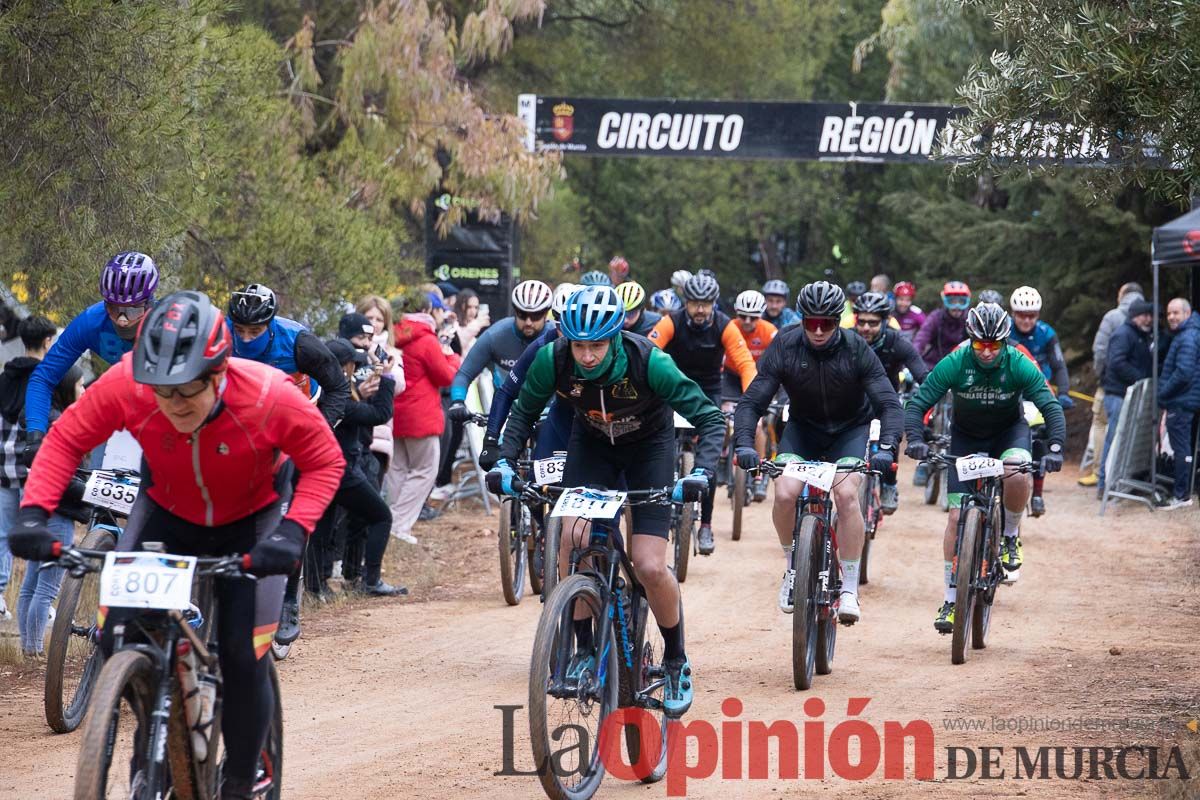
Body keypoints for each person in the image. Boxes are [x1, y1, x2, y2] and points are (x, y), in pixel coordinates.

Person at [8, 291, 344, 800]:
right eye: (162, 390)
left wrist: (293, 532)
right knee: (118, 633)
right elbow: (64, 441)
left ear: (219, 372)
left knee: (240, 652)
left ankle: (242, 775)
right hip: (167, 511)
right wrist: (34, 513)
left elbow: (325, 461)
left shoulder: (269, 394)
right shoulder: (128, 384)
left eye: (188, 388)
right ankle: (152, 749)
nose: (174, 403)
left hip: (252, 521)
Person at [487, 285, 723, 717]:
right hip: (592, 445)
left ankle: (675, 659)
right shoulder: (553, 358)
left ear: (616, 336)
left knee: (649, 564)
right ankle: (582, 647)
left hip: (648, 447)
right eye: (580, 345)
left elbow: (709, 417)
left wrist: (702, 472)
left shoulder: (650, 361)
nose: (588, 356)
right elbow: (522, 412)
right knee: (572, 540)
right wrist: (504, 461)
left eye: (597, 345)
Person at [733, 281, 902, 624]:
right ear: (802, 320)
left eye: (827, 323)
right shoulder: (786, 344)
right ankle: (792, 567)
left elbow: (888, 404)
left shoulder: (856, 348)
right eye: (812, 323)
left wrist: (886, 448)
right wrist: (744, 444)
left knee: (846, 495)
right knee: (784, 493)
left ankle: (850, 587)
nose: (819, 330)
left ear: (839, 321)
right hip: (804, 430)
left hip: (850, 431)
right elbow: (753, 401)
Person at [902, 303, 1066, 633]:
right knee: (953, 516)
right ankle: (951, 598)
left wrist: (1056, 447)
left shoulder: (1018, 361)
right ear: (971, 340)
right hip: (965, 437)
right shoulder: (957, 361)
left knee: (1018, 471)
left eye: (995, 345)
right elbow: (920, 402)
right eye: (981, 345)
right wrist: (916, 438)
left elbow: (1049, 405)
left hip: (1008, 431)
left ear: (1005, 342)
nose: (988, 352)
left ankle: (1009, 536)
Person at [649, 272, 757, 555]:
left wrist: (751, 398)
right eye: (694, 303)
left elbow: (745, 363)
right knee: (656, 444)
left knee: (705, 460)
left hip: (709, 390)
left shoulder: (725, 326)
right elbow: (647, 350)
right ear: (685, 302)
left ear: (713, 304)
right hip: (673, 385)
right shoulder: (670, 322)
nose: (699, 309)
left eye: (705, 304)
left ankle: (706, 524)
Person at [22, 252, 158, 465]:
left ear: (149, 303)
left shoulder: (166, 324)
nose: (122, 320)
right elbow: (44, 377)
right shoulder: (91, 322)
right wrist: (35, 434)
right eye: (114, 308)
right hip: (123, 405)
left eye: (132, 311)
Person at [307, 339, 404, 595]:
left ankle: (316, 588)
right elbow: (379, 415)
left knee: (322, 529)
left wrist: (361, 391)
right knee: (381, 516)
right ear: (344, 367)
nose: (355, 368)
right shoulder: (341, 400)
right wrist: (387, 378)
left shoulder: (322, 394)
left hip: (322, 469)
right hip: (343, 472)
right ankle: (370, 581)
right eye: (353, 364)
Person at [0, 315, 74, 626]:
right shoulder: (46, 380)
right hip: (33, 472)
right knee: (35, 535)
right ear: (46, 342)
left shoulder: (5, 376)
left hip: (3, 469)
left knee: (3, 536)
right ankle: (36, 609)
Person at [16, 363, 85, 656]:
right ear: (67, 389)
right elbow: (62, 474)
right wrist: (88, 491)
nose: (84, 390)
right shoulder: (61, 425)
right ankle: (36, 651)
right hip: (60, 513)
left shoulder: (40, 422)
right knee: (47, 588)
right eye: (81, 385)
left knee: (31, 584)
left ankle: (28, 648)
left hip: (40, 508)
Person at [388, 291, 462, 545]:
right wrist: (452, 356)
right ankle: (398, 524)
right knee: (424, 471)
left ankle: (392, 523)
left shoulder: (394, 332)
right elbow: (445, 376)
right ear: (429, 311)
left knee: (398, 469)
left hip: (395, 411)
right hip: (421, 414)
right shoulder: (425, 338)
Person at [477, 283, 578, 469]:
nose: (568, 336)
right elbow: (507, 391)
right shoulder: (542, 347)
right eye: (560, 325)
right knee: (537, 487)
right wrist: (491, 441)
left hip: (592, 426)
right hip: (553, 418)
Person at [226, 283, 349, 428]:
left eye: (254, 331)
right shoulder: (221, 333)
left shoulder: (299, 342)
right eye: (239, 330)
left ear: (269, 324)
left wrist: (321, 428)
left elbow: (338, 387)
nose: (245, 338)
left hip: (300, 410)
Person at [852, 292, 929, 513]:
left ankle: (889, 484)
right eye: (862, 321)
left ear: (885, 322)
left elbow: (921, 373)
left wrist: (925, 389)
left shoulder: (897, 341)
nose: (866, 328)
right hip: (854, 403)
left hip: (887, 403)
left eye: (873, 323)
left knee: (891, 432)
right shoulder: (847, 338)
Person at [1007, 286, 1072, 517]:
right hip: (1011, 392)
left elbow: (1059, 366)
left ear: (1038, 314)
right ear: (1013, 313)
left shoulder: (1047, 333)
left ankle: (1037, 494)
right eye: (1022, 315)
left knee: (1038, 438)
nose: (1026, 320)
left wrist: (1064, 393)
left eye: (1032, 315)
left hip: (1037, 393)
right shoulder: (1004, 330)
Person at [1080, 282, 1144, 487]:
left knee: (1101, 424)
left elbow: (1099, 350)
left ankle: (1100, 472)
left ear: (1122, 295)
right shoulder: (1148, 317)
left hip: (1110, 386)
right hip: (1140, 386)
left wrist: (1102, 375)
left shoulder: (1112, 316)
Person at [1098, 299, 1154, 494]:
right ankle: (1104, 484)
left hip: (1128, 395)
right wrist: (1140, 380)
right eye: (1144, 315)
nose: (1148, 319)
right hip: (1118, 395)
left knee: (1124, 440)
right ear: (1134, 316)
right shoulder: (1124, 334)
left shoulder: (1140, 335)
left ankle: (1119, 481)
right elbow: (1117, 363)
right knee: (1114, 438)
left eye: (1150, 315)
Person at [1157, 298, 1200, 509]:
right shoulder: (1187, 334)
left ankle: (1181, 495)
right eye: (1169, 313)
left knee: (1181, 448)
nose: (1172, 317)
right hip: (1186, 400)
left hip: (1180, 402)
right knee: (1184, 448)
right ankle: (1182, 493)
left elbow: (1183, 372)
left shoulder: (1188, 337)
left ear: (1187, 313)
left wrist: (1163, 393)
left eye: (1176, 313)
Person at [914, 281, 972, 370]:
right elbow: (921, 339)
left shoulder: (970, 319)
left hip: (961, 365)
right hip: (934, 365)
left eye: (961, 301)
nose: (956, 306)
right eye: (952, 301)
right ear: (945, 302)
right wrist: (913, 361)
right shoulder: (935, 317)